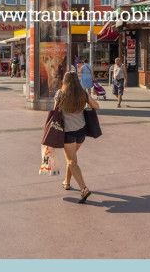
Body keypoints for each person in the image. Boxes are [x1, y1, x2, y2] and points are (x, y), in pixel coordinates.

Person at [53, 71, 100, 203]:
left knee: (72, 161)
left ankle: (84, 189)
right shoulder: (83, 93)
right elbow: (96, 106)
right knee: (71, 159)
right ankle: (66, 182)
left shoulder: (60, 94)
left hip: (68, 132)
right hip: (81, 132)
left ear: (65, 81)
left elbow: (55, 112)